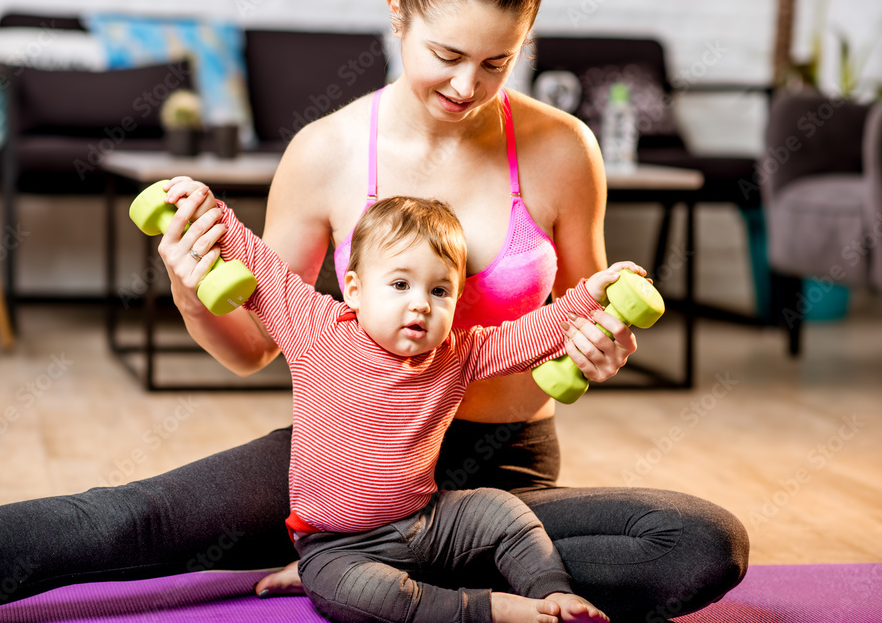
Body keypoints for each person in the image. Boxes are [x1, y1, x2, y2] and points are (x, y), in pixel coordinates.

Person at [0, 0, 747, 621]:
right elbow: (254, 345)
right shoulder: (327, 152)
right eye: (446, 54)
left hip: (504, 477)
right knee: (125, 521)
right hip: (341, 468)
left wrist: (601, 347)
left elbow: (579, 313)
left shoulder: (565, 150)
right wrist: (194, 289)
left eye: (497, 62)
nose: (466, 86)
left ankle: (373, 577)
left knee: (701, 543)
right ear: (395, 15)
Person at [209, 192, 614, 622]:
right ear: (355, 291)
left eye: (440, 290)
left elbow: (528, 334)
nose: (421, 302)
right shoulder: (317, 330)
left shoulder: (457, 354)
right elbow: (265, 269)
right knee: (356, 593)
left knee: (503, 510)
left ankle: (554, 593)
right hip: (337, 546)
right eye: (400, 284)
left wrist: (589, 294)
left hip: (429, 524)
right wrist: (210, 211)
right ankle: (488, 610)